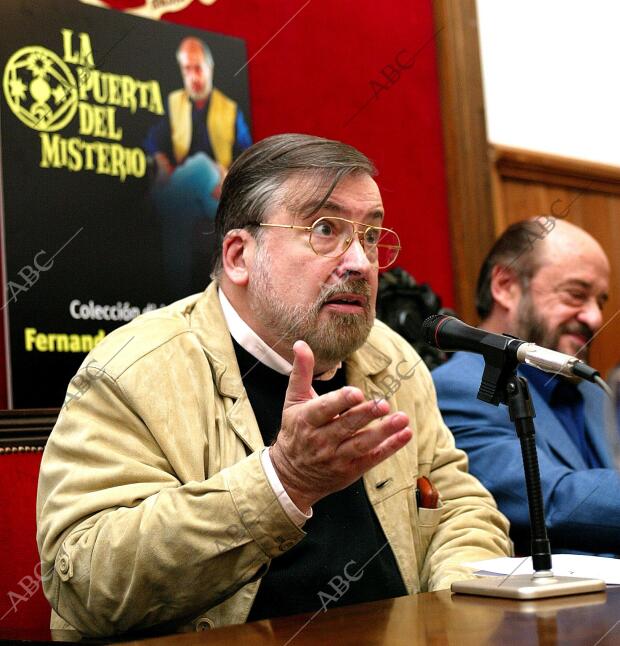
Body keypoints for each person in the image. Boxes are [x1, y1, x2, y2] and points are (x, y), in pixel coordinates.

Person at [37, 134, 511, 638]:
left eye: (371, 236)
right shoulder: (133, 370)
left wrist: (453, 615)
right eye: (326, 230)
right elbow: (84, 583)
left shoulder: (391, 358)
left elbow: (462, 507)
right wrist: (284, 481)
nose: (360, 262)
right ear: (239, 255)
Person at [432, 218, 620, 557]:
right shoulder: (458, 388)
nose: (594, 318)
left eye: (600, 302)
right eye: (576, 294)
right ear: (505, 285)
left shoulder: (594, 390)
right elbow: (546, 503)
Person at [144, 36, 252, 296]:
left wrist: (227, 180)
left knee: (202, 167)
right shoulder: (174, 104)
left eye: (198, 68)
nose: (193, 76)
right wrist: (160, 161)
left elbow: (249, 156)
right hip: (188, 193)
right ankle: (179, 300)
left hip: (219, 194)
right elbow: (151, 141)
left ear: (210, 67)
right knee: (182, 206)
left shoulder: (230, 109)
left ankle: (163, 200)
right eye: (187, 69)